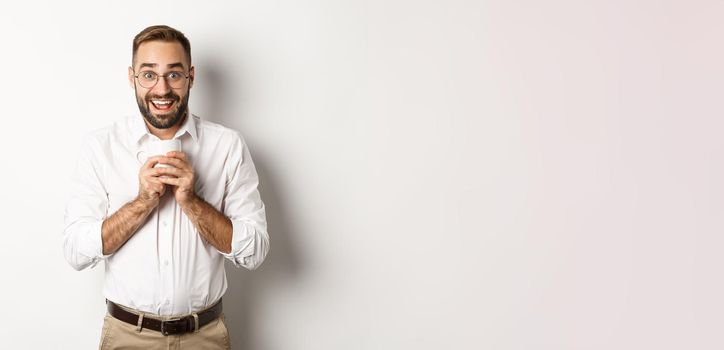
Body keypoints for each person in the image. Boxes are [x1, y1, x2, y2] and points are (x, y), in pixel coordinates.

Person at [62, 25, 269, 349]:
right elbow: (76, 251)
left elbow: (255, 251)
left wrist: (191, 201)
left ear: (191, 77)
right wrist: (143, 201)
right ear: (132, 78)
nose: (161, 89)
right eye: (149, 75)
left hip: (206, 336)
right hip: (127, 336)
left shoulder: (227, 146)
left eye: (174, 75)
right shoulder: (101, 147)